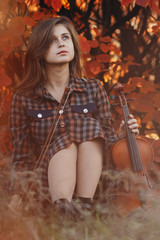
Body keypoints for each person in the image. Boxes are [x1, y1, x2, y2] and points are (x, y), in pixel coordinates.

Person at [9, 16, 139, 217]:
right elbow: (22, 156)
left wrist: (122, 136)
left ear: (73, 44)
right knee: (67, 141)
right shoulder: (24, 98)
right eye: (52, 40)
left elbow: (108, 144)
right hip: (48, 182)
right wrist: (17, 193)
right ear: (39, 50)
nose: (61, 43)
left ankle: (83, 209)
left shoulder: (93, 88)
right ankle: (64, 210)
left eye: (65, 37)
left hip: (96, 181)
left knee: (89, 129)